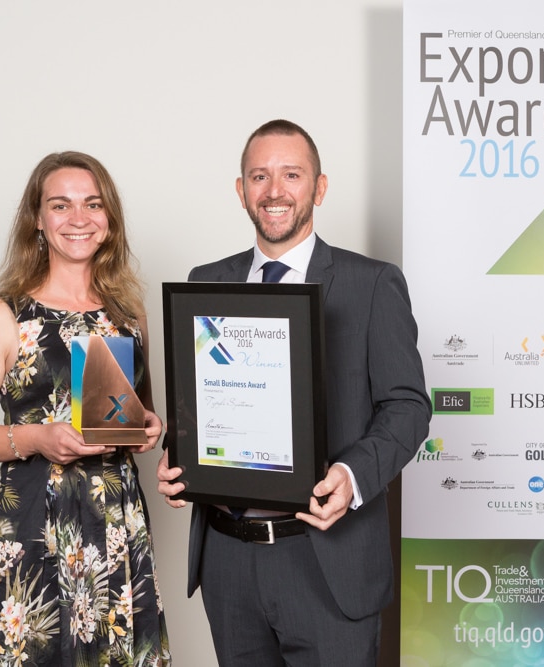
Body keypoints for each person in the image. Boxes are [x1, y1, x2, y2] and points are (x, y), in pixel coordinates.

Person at [156, 119, 431, 666]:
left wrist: (351, 475)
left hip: (328, 559)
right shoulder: (206, 282)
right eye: (259, 176)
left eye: (291, 175)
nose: (274, 191)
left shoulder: (372, 284)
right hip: (229, 563)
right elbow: (198, 401)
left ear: (319, 188)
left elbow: (408, 407)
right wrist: (179, 454)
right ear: (241, 191)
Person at [0, 151, 171, 666]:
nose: (78, 219)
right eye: (60, 205)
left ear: (109, 221)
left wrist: (153, 425)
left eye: (93, 204)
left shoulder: (128, 315)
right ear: (38, 220)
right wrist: (37, 438)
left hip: (115, 520)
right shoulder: (4, 316)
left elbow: (141, 412)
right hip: (31, 525)